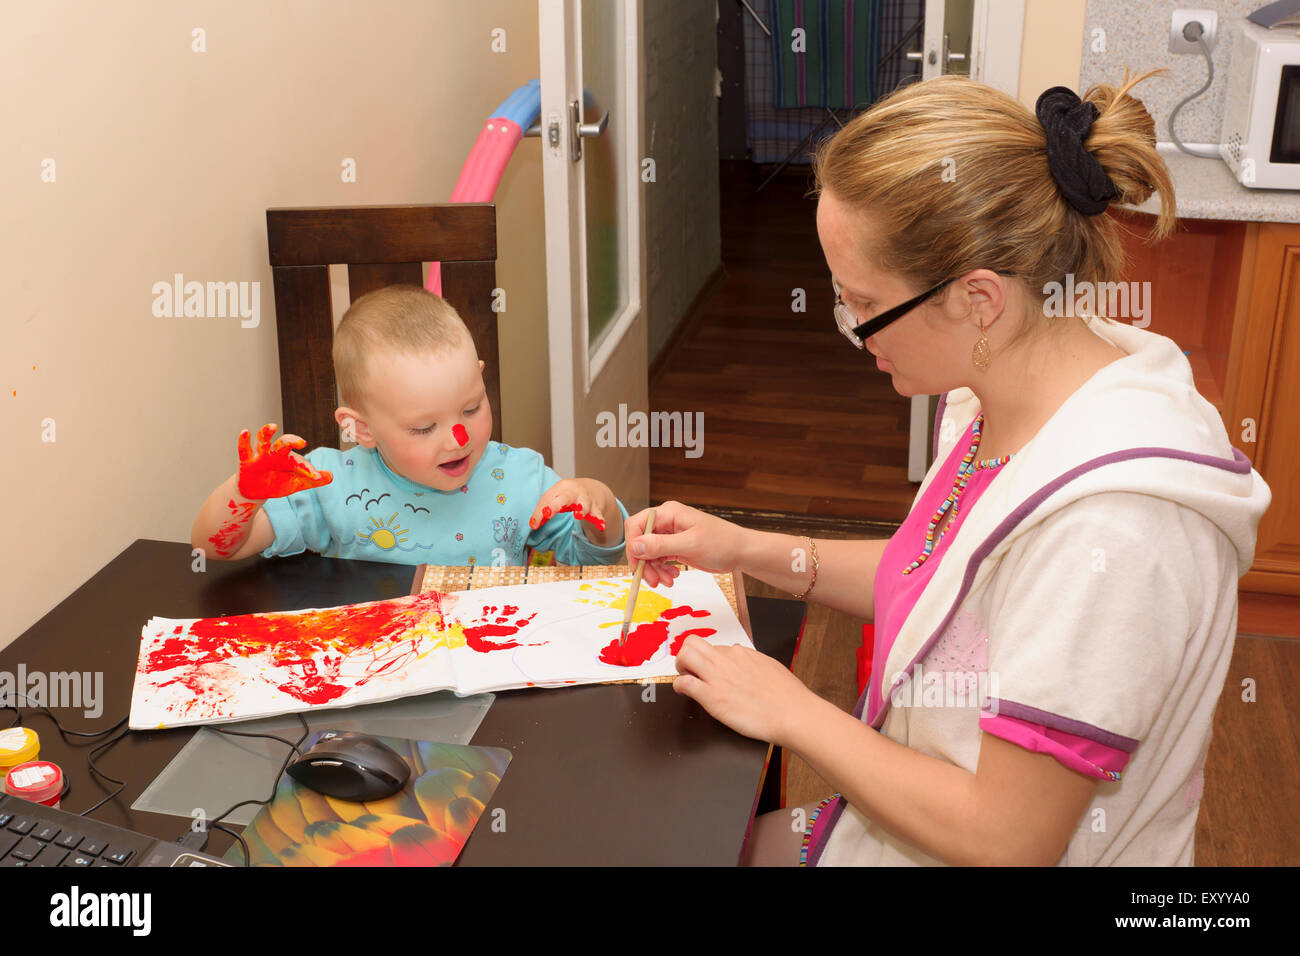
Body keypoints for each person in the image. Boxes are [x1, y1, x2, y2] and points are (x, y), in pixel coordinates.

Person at [624, 71, 1271, 866]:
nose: (852, 330)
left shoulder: (1114, 531)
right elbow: (936, 582)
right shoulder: (1005, 393)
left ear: (978, 300)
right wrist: (746, 547)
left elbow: (1006, 839)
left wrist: (793, 712)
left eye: (864, 305)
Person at [192, 284, 628, 567]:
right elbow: (215, 548)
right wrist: (243, 496)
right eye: (424, 428)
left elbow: (600, 570)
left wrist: (601, 508)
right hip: (376, 676)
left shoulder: (521, 479)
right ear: (361, 430)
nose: (459, 439)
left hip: (492, 663)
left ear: (479, 375)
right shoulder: (328, 484)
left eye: (472, 408)